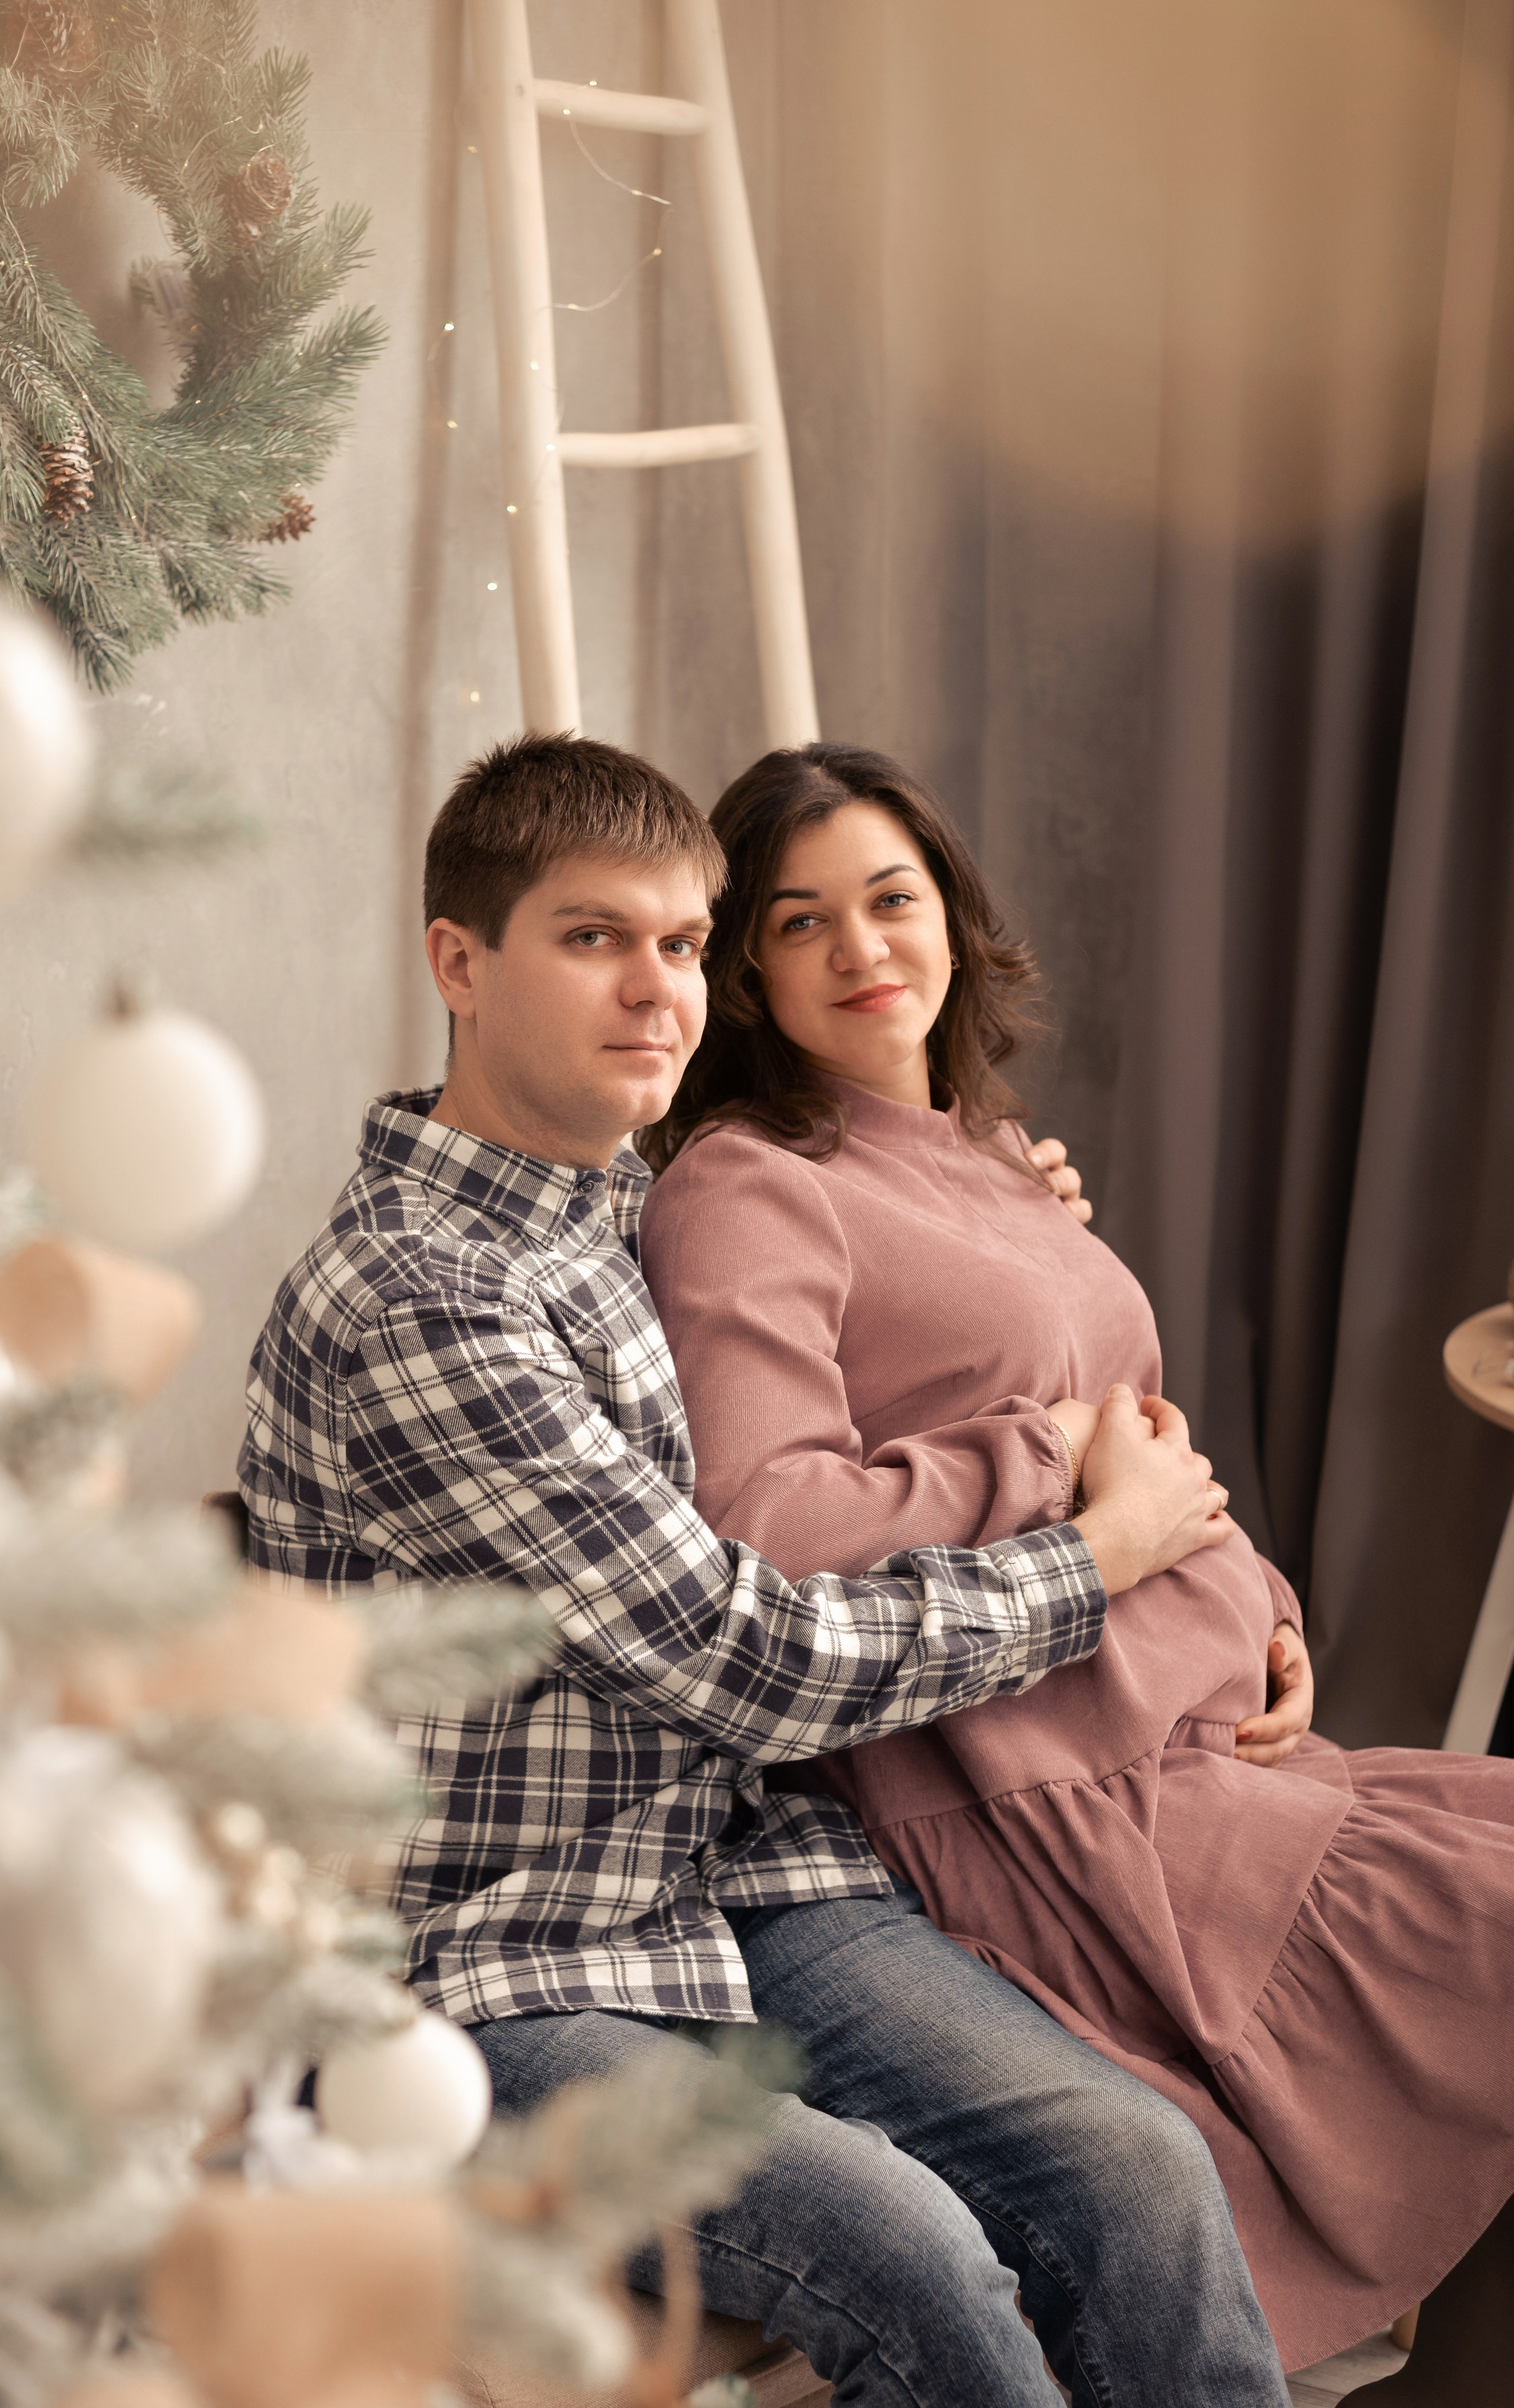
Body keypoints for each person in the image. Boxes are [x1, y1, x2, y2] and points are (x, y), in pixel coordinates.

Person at [237, 733, 1294, 2408]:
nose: (654, 987)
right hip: (488, 1968)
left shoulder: (614, 1201)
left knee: (1137, 2167)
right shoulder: (424, 1303)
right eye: (593, 938)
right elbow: (751, 1656)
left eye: (680, 943)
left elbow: (850, 1264)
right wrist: (1096, 1556)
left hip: (742, 1882)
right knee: (918, 2258)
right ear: (460, 961)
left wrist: (994, 1193)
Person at [638, 739, 1514, 2401]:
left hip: (1208, 1742)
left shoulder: (968, 1143)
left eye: (891, 900)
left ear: (951, 913)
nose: (862, 950)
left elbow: (1146, 1433)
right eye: (801, 923)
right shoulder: (748, 1186)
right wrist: (1050, 1462)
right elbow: (766, 1521)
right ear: (746, 967)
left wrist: (1266, 1615)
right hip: (1073, 1808)